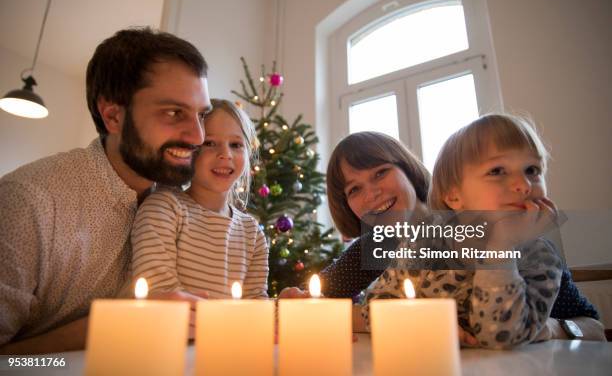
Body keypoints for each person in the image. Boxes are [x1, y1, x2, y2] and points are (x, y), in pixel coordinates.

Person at [0, 27, 212, 353]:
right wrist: (111, 326)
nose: (198, 136)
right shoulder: (27, 202)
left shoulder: (184, 206)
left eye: (201, 115)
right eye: (174, 112)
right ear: (112, 115)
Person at [314, 128, 603, 343]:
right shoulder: (375, 246)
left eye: (380, 173)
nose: (371, 194)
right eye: (354, 189)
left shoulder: (516, 239)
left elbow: (593, 327)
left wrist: (548, 328)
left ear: (407, 169)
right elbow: (317, 302)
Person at [130, 99, 269, 298]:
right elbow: (160, 293)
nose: (225, 154)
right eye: (209, 143)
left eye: (236, 144)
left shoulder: (252, 233)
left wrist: (282, 306)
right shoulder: (163, 209)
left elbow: (255, 306)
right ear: (190, 150)